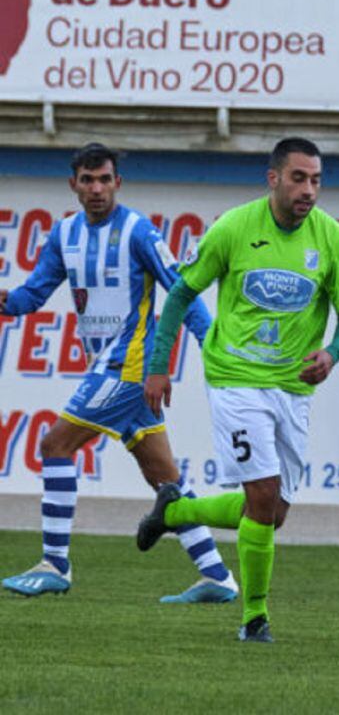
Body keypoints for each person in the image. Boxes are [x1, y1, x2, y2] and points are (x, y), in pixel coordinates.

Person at [136, 136, 339, 644]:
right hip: (236, 379)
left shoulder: (332, 240)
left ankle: (174, 510)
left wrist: (332, 353)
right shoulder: (233, 229)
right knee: (261, 495)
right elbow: (180, 296)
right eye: (299, 178)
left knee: (272, 513)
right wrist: (159, 366)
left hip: (292, 388)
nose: (309, 189)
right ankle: (253, 617)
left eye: (317, 180)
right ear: (274, 178)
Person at [1, 142, 238, 603]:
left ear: (117, 183)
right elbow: (33, 295)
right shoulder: (63, 235)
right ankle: (218, 577)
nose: (96, 189)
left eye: (104, 179)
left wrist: (214, 352)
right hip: (108, 367)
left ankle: (55, 563)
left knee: (54, 444)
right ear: (73, 184)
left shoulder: (138, 232)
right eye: (87, 180)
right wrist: (7, 300)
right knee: (166, 479)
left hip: (129, 367)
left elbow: (183, 291)